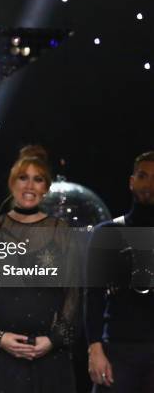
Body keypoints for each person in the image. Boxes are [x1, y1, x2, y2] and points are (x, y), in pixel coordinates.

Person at [0, 145, 78, 393]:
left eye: (38, 179)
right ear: (11, 183)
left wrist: (53, 340)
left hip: (49, 355)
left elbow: (73, 292)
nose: (29, 186)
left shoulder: (61, 230)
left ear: (46, 187)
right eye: (23, 177)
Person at [85, 151, 154, 393]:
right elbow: (93, 295)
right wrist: (94, 348)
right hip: (117, 352)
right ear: (131, 181)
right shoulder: (107, 233)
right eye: (143, 175)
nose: (149, 184)